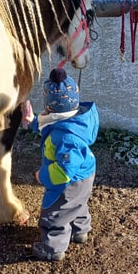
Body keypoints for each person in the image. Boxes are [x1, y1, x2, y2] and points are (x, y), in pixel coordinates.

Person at [21, 67, 99, 261]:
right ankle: (80, 232)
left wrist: (43, 175)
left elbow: (64, 172)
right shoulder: (73, 119)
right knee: (78, 204)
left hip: (69, 181)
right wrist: (32, 122)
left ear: (50, 106)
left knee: (56, 213)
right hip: (85, 174)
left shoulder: (66, 138)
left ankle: (53, 249)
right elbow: (50, 125)